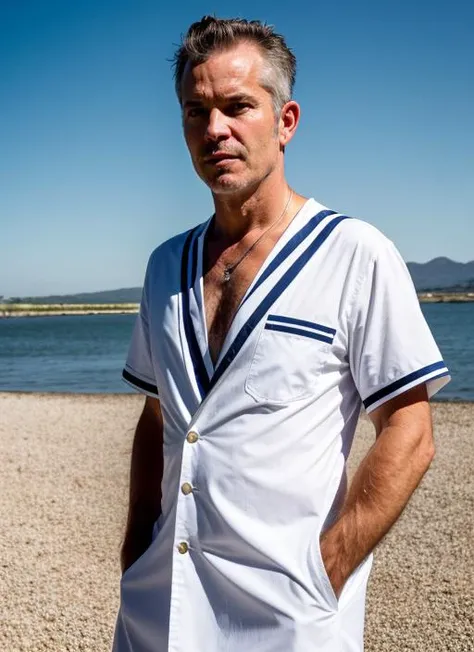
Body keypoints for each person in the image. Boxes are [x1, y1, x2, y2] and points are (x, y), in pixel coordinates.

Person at [113, 16, 450, 652]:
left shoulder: (354, 254)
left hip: (289, 624)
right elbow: (157, 418)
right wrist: (135, 549)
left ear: (286, 120)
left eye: (238, 106)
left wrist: (327, 572)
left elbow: (411, 430)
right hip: (159, 607)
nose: (215, 129)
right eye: (195, 111)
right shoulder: (166, 266)